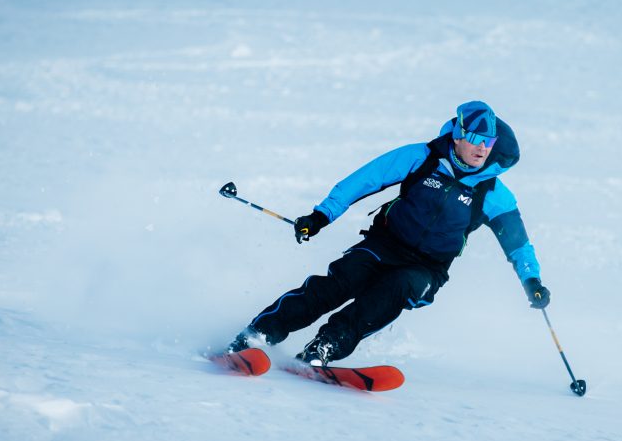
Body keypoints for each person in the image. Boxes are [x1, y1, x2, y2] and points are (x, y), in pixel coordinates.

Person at [226, 100, 551, 365]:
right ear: (458, 134)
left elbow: (518, 244)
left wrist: (532, 281)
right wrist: (321, 215)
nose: (482, 149)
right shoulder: (422, 158)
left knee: (387, 294)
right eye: (476, 139)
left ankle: (323, 349)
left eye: (489, 142)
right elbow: (363, 180)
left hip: (427, 269)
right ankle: (256, 336)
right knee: (337, 284)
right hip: (384, 244)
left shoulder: (493, 192)